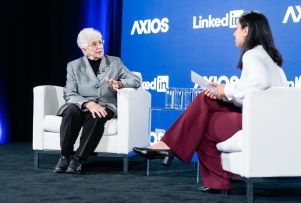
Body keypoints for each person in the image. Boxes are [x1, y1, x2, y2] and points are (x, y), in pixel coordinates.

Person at [133, 11, 288, 193]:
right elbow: (258, 96)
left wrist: (228, 90)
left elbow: (261, 82)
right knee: (205, 98)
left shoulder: (251, 55)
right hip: (267, 120)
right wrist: (223, 93)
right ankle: (171, 148)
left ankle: (170, 148)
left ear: (246, 31)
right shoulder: (272, 61)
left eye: (236, 28)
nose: (233, 33)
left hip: (255, 122)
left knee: (200, 126)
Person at [54, 28, 141, 174]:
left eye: (100, 42)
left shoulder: (114, 62)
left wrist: (120, 83)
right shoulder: (74, 66)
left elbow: (136, 80)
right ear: (84, 49)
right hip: (81, 103)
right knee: (70, 111)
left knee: (97, 115)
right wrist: (87, 103)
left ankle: (78, 159)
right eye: (94, 44)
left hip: (106, 105)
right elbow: (69, 93)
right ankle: (64, 156)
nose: (100, 46)